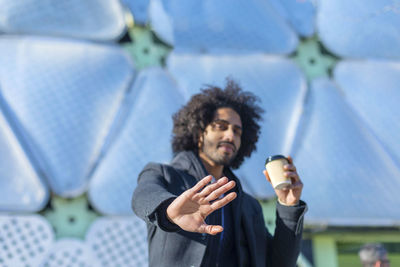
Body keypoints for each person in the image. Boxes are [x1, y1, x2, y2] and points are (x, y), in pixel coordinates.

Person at [132, 79, 307, 267]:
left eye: (237, 131)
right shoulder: (164, 175)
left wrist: (289, 206)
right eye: (220, 126)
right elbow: (143, 196)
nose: (230, 135)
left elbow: (279, 264)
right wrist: (168, 210)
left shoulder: (249, 206)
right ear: (199, 133)